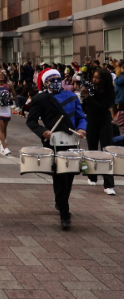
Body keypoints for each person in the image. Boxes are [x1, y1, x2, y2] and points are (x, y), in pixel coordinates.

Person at [26, 69, 87, 230]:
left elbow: (81, 117)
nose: (55, 81)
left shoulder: (72, 96)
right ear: (45, 82)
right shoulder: (40, 99)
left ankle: (61, 202)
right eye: (51, 79)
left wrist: (81, 129)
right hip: (52, 141)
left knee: (70, 176)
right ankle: (64, 214)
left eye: (57, 78)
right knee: (60, 176)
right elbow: (31, 121)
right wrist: (42, 132)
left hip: (72, 140)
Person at [81, 68, 116, 195]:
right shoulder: (91, 89)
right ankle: (91, 176)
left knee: (106, 151)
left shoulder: (110, 92)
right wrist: (84, 97)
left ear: (104, 80)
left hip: (104, 122)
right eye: (93, 77)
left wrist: (87, 96)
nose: (94, 80)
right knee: (92, 149)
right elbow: (86, 107)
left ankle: (109, 184)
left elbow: (101, 108)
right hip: (91, 121)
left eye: (97, 78)